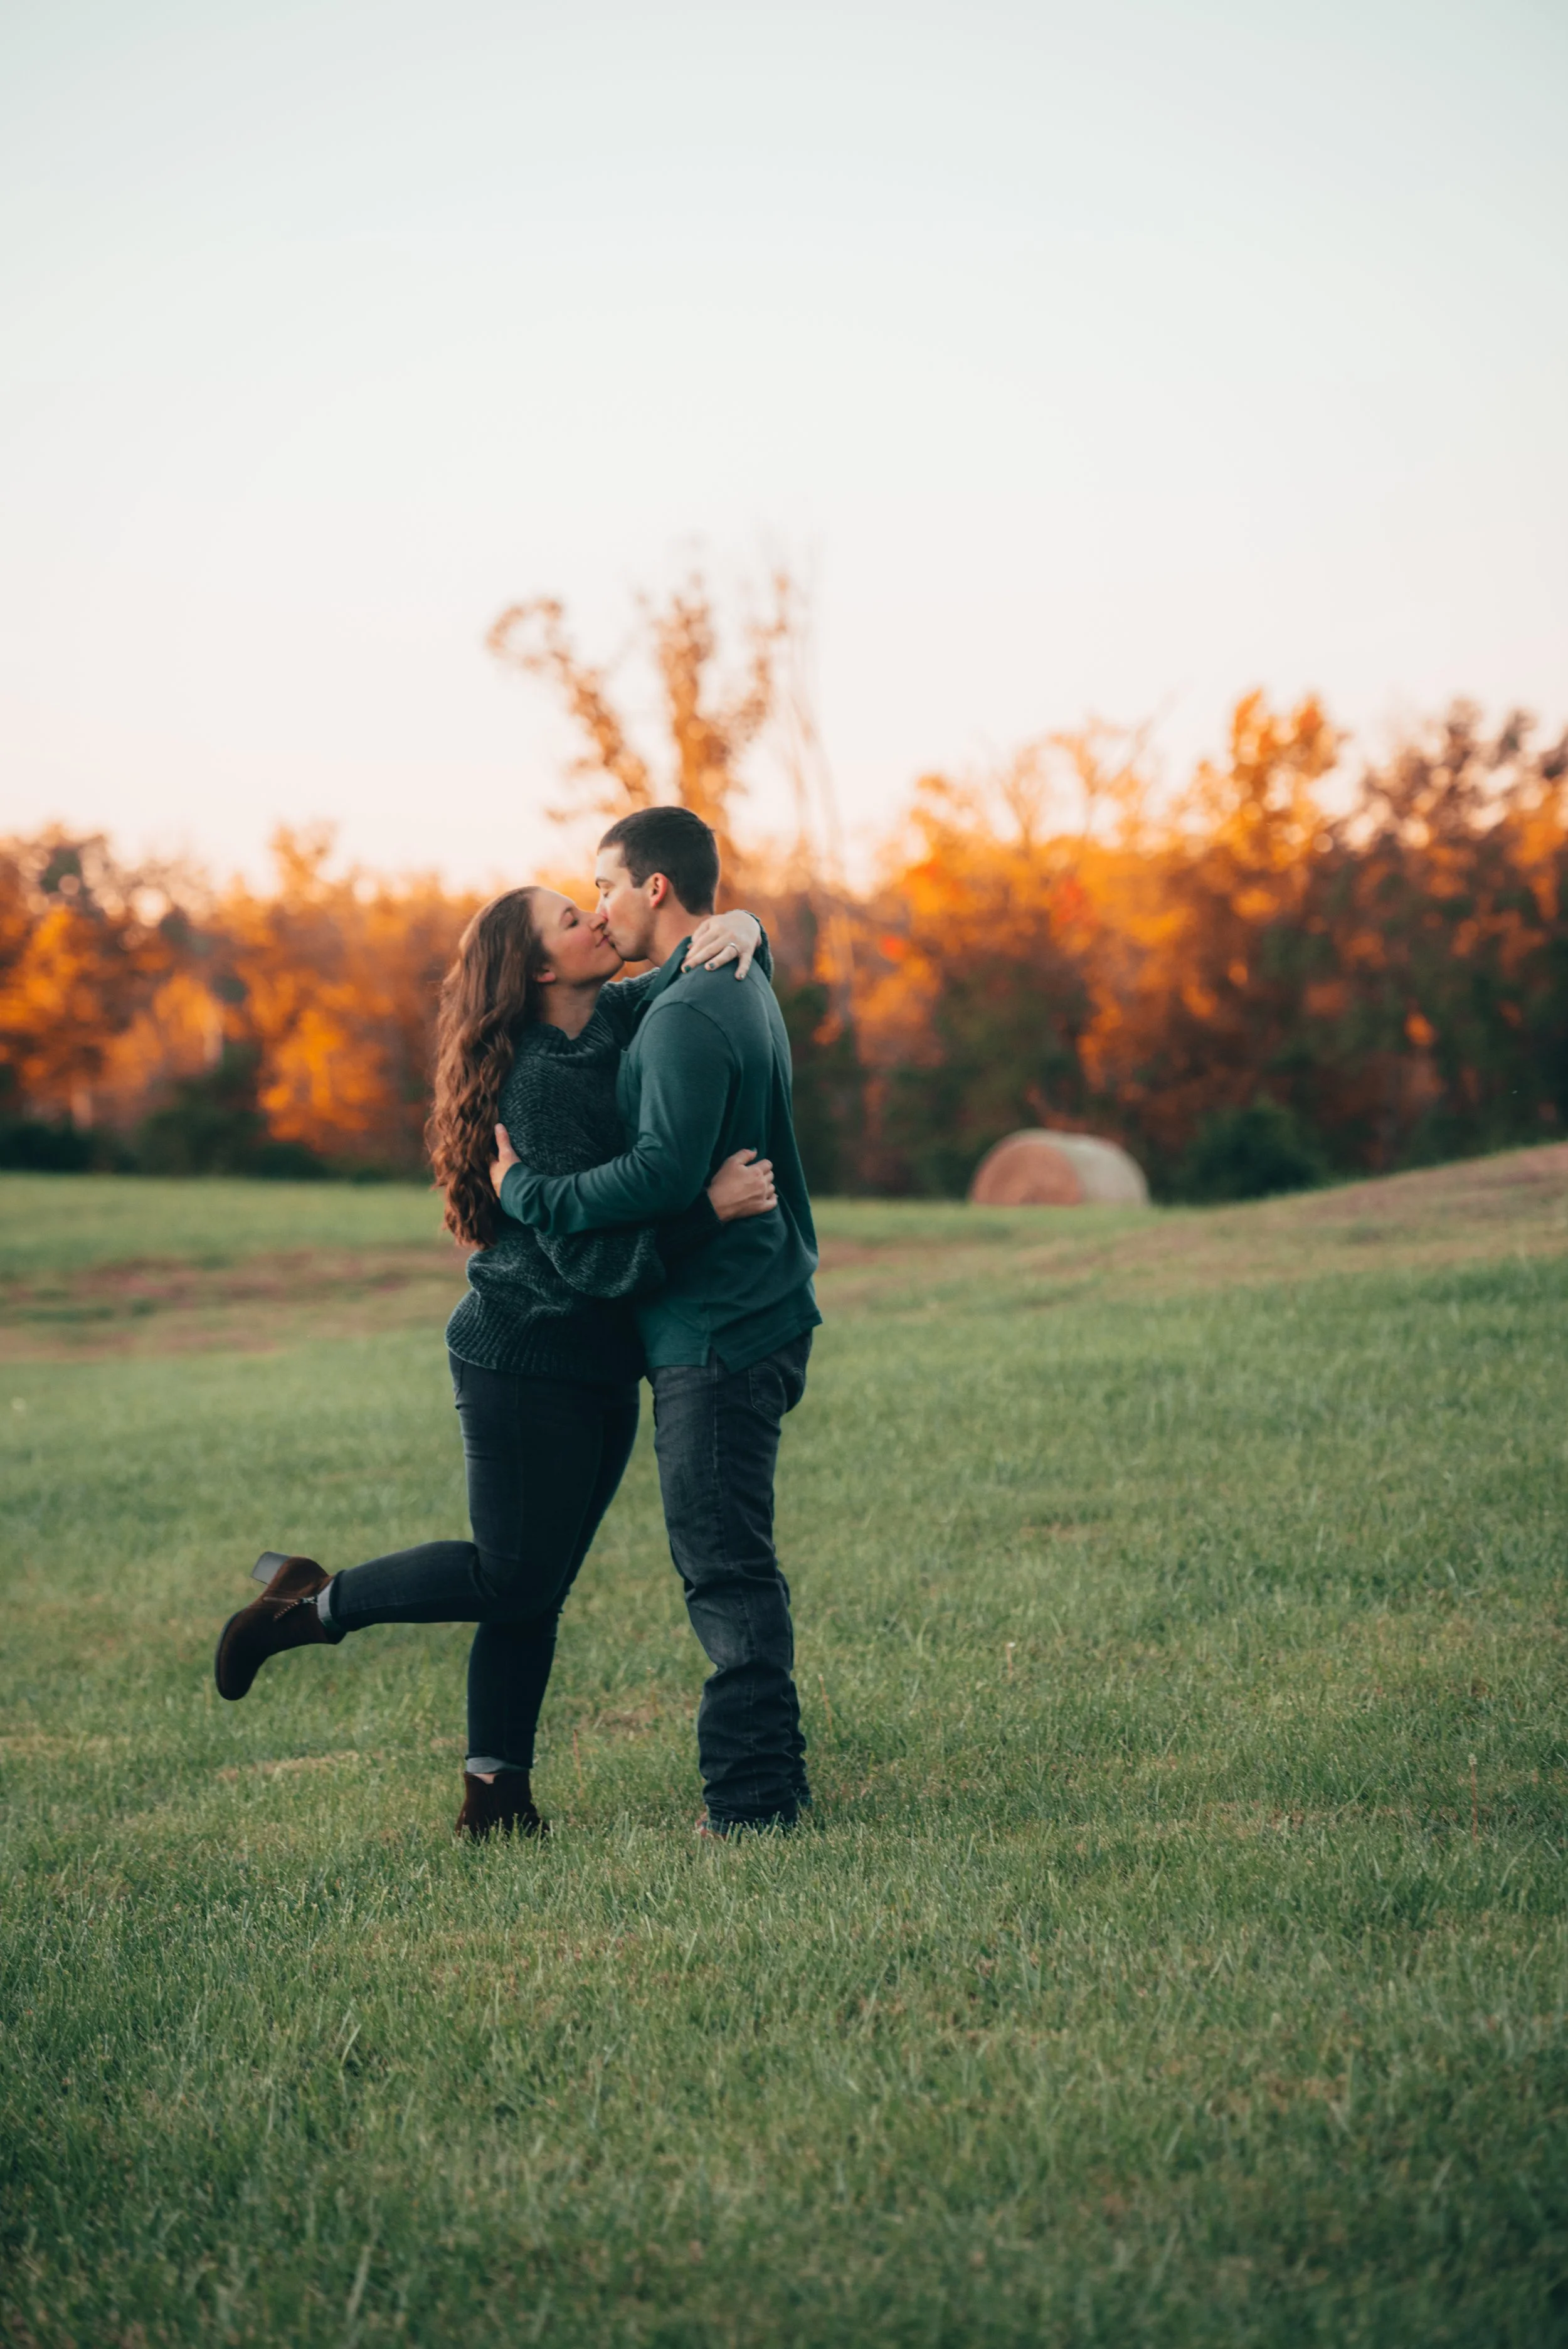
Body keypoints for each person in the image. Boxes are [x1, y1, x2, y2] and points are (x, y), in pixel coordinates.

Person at [213, 887, 776, 1840]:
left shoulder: (613, 1017)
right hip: (526, 1359)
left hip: (597, 1359)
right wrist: (704, 1212)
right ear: (540, 972)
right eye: (572, 919)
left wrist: (750, 927)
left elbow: (694, 965)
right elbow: (594, 1262)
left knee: (536, 1586)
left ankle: (496, 1800)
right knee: (510, 1577)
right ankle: (314, 1603)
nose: (598, 919)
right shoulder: (540, 1082)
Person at [492, 805, 820, 1836]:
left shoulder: (682, 1013)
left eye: (605, 887)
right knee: (730, 1558)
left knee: (722, 1567)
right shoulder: (728, 975)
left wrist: (530, 1193)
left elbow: (658, 1175)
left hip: (717, 1329)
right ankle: (769, 1782)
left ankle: (756, 1802)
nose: (600, 906)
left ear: (657, 890)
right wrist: (752, 923)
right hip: (751, 1306)